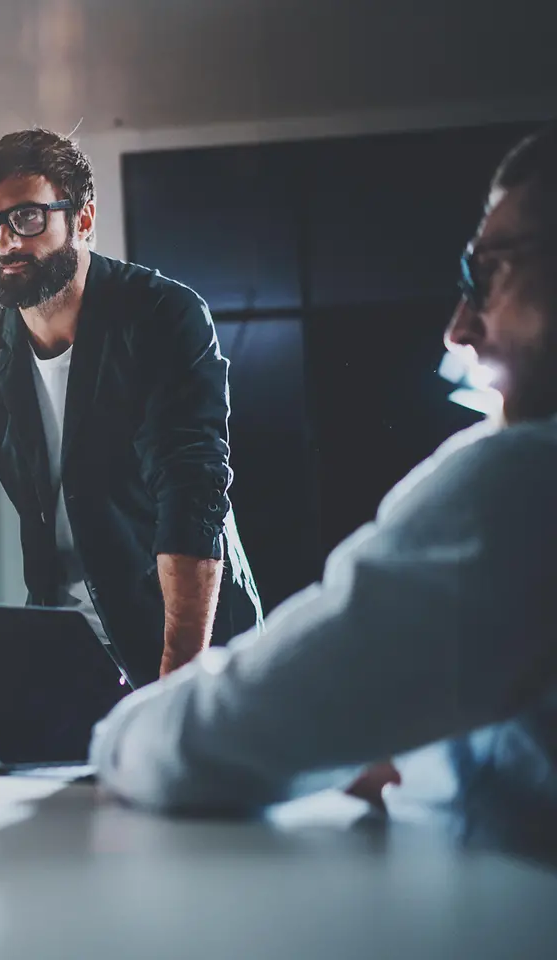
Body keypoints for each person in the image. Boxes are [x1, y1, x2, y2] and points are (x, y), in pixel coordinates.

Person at [90, 123, 557, 852]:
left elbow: (196, 745)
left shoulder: (526, 484)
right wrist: (392, 747)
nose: (458, 329)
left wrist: (115, 733)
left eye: (489, 272)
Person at [0, 128, 262, 695]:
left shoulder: (164, 315)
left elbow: (191, 489)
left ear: (83, 219)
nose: (6, 243)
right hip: (67, 648)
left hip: (191, 642)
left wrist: (177, 692)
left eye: (28, 219)